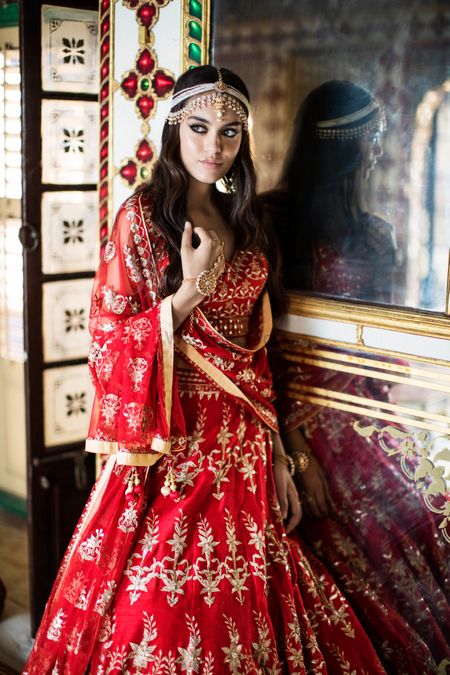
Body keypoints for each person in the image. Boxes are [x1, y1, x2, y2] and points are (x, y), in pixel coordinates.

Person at [23, 67, 388, 674]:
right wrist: (192, 289)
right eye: (198, 128)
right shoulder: (140, 220)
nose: (214, 147)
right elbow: (108, 343)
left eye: (229, 132)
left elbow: (257, 354)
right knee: (164, 607)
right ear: (174, 128)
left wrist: (280, 455)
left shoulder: (250, 224)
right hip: (172, 442)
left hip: (242, 443)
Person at [263, 80, 450, 672]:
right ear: (346, 145)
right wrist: (293, 446)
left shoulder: (376, 236)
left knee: (424, 511)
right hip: (294, 415)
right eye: (373, 139)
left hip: (364, 410)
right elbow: (258, 344)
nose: (379, 152)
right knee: (350, 535)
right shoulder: (270, 222)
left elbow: (380, 349)